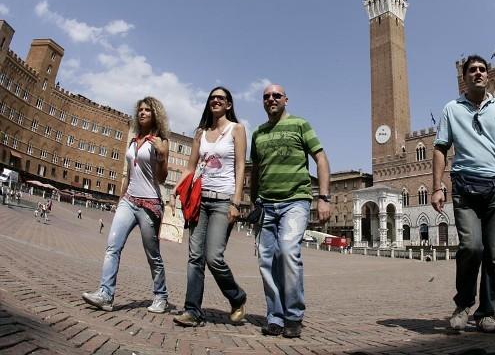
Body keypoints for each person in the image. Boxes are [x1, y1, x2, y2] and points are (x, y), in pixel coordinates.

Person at [431, 55, 495, 334]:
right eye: (472, 70)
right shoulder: (451, 108)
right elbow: (440, 147)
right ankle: (463, 304)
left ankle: (486, 313)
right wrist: (436, 186)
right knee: (472, 248)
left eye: (482, 69)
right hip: (464, 186)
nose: (478, 73)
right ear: (465, 77)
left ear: (488, 76)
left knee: (494, 254)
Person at [251, 84, 331, 338]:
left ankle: (294, 315)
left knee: (287, 250)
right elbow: (255, 171)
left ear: (286, 99)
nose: (271, 99)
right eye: (266, 96)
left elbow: (321, 158)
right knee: (267, 260)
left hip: (296, 201)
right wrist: (254, 202)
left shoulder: (300, 125)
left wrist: (324, 197)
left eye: (276, 95)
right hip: (266, 204)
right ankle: (275, 316)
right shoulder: (258, 133)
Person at [82, 97, 171, 313]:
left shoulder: (161, 141)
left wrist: (161, 155)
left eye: (147, 110)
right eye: (140, 110)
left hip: (150, 204)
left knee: (152, 254)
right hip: (129, 201)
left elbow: (161, 178)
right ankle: (106, 294)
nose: (142, 113)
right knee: (113, 246)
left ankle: (161, 296)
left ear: (155, 114)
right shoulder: (133, 142)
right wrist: (120, 199)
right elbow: (129, 174)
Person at [172, 86, 248, 328]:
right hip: (200, 200)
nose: (216, 100)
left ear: (229, 105)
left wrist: (236, 202)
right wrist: (177, 187)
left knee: (213, 257)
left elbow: (240, 167)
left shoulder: (237, 129)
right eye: (212, 98)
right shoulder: (200, 133)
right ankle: (192, 310)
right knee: (195, 256)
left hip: (223, 200)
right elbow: (191, 166)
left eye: (221, 98)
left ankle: (237, 297)